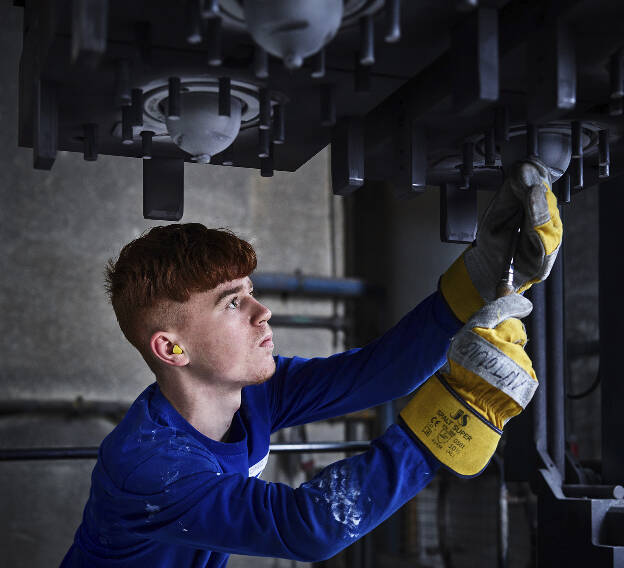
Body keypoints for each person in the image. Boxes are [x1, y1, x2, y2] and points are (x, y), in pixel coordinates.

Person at [60, 158, 561, 567]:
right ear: (172, 349)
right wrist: (460, 414)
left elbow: (379, 372)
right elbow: (308, 527)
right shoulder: (147, 465)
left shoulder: (256, 395)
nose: (263, 312)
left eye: (250, 293)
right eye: (232, 303)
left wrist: (480, 276)